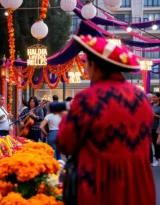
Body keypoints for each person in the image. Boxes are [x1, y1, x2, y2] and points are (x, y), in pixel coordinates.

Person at [56, 35, 155, 205]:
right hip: (139, 184)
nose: (86, 70)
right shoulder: (141, 97)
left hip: (99, 184)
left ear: (94, 66)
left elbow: (65, 143)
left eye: (87, 64)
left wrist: (66, 117)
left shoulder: (88, 98)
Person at [151, 92, 160, 166]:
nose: (153, 98)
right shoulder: (150, 105)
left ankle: (157, 160)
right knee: (153, 143)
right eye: (153, 97)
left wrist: (155, 115)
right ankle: (155, 158)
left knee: (157, 143)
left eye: (155, 97)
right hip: (150, 127)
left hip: (157, 127)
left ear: (159, 98)